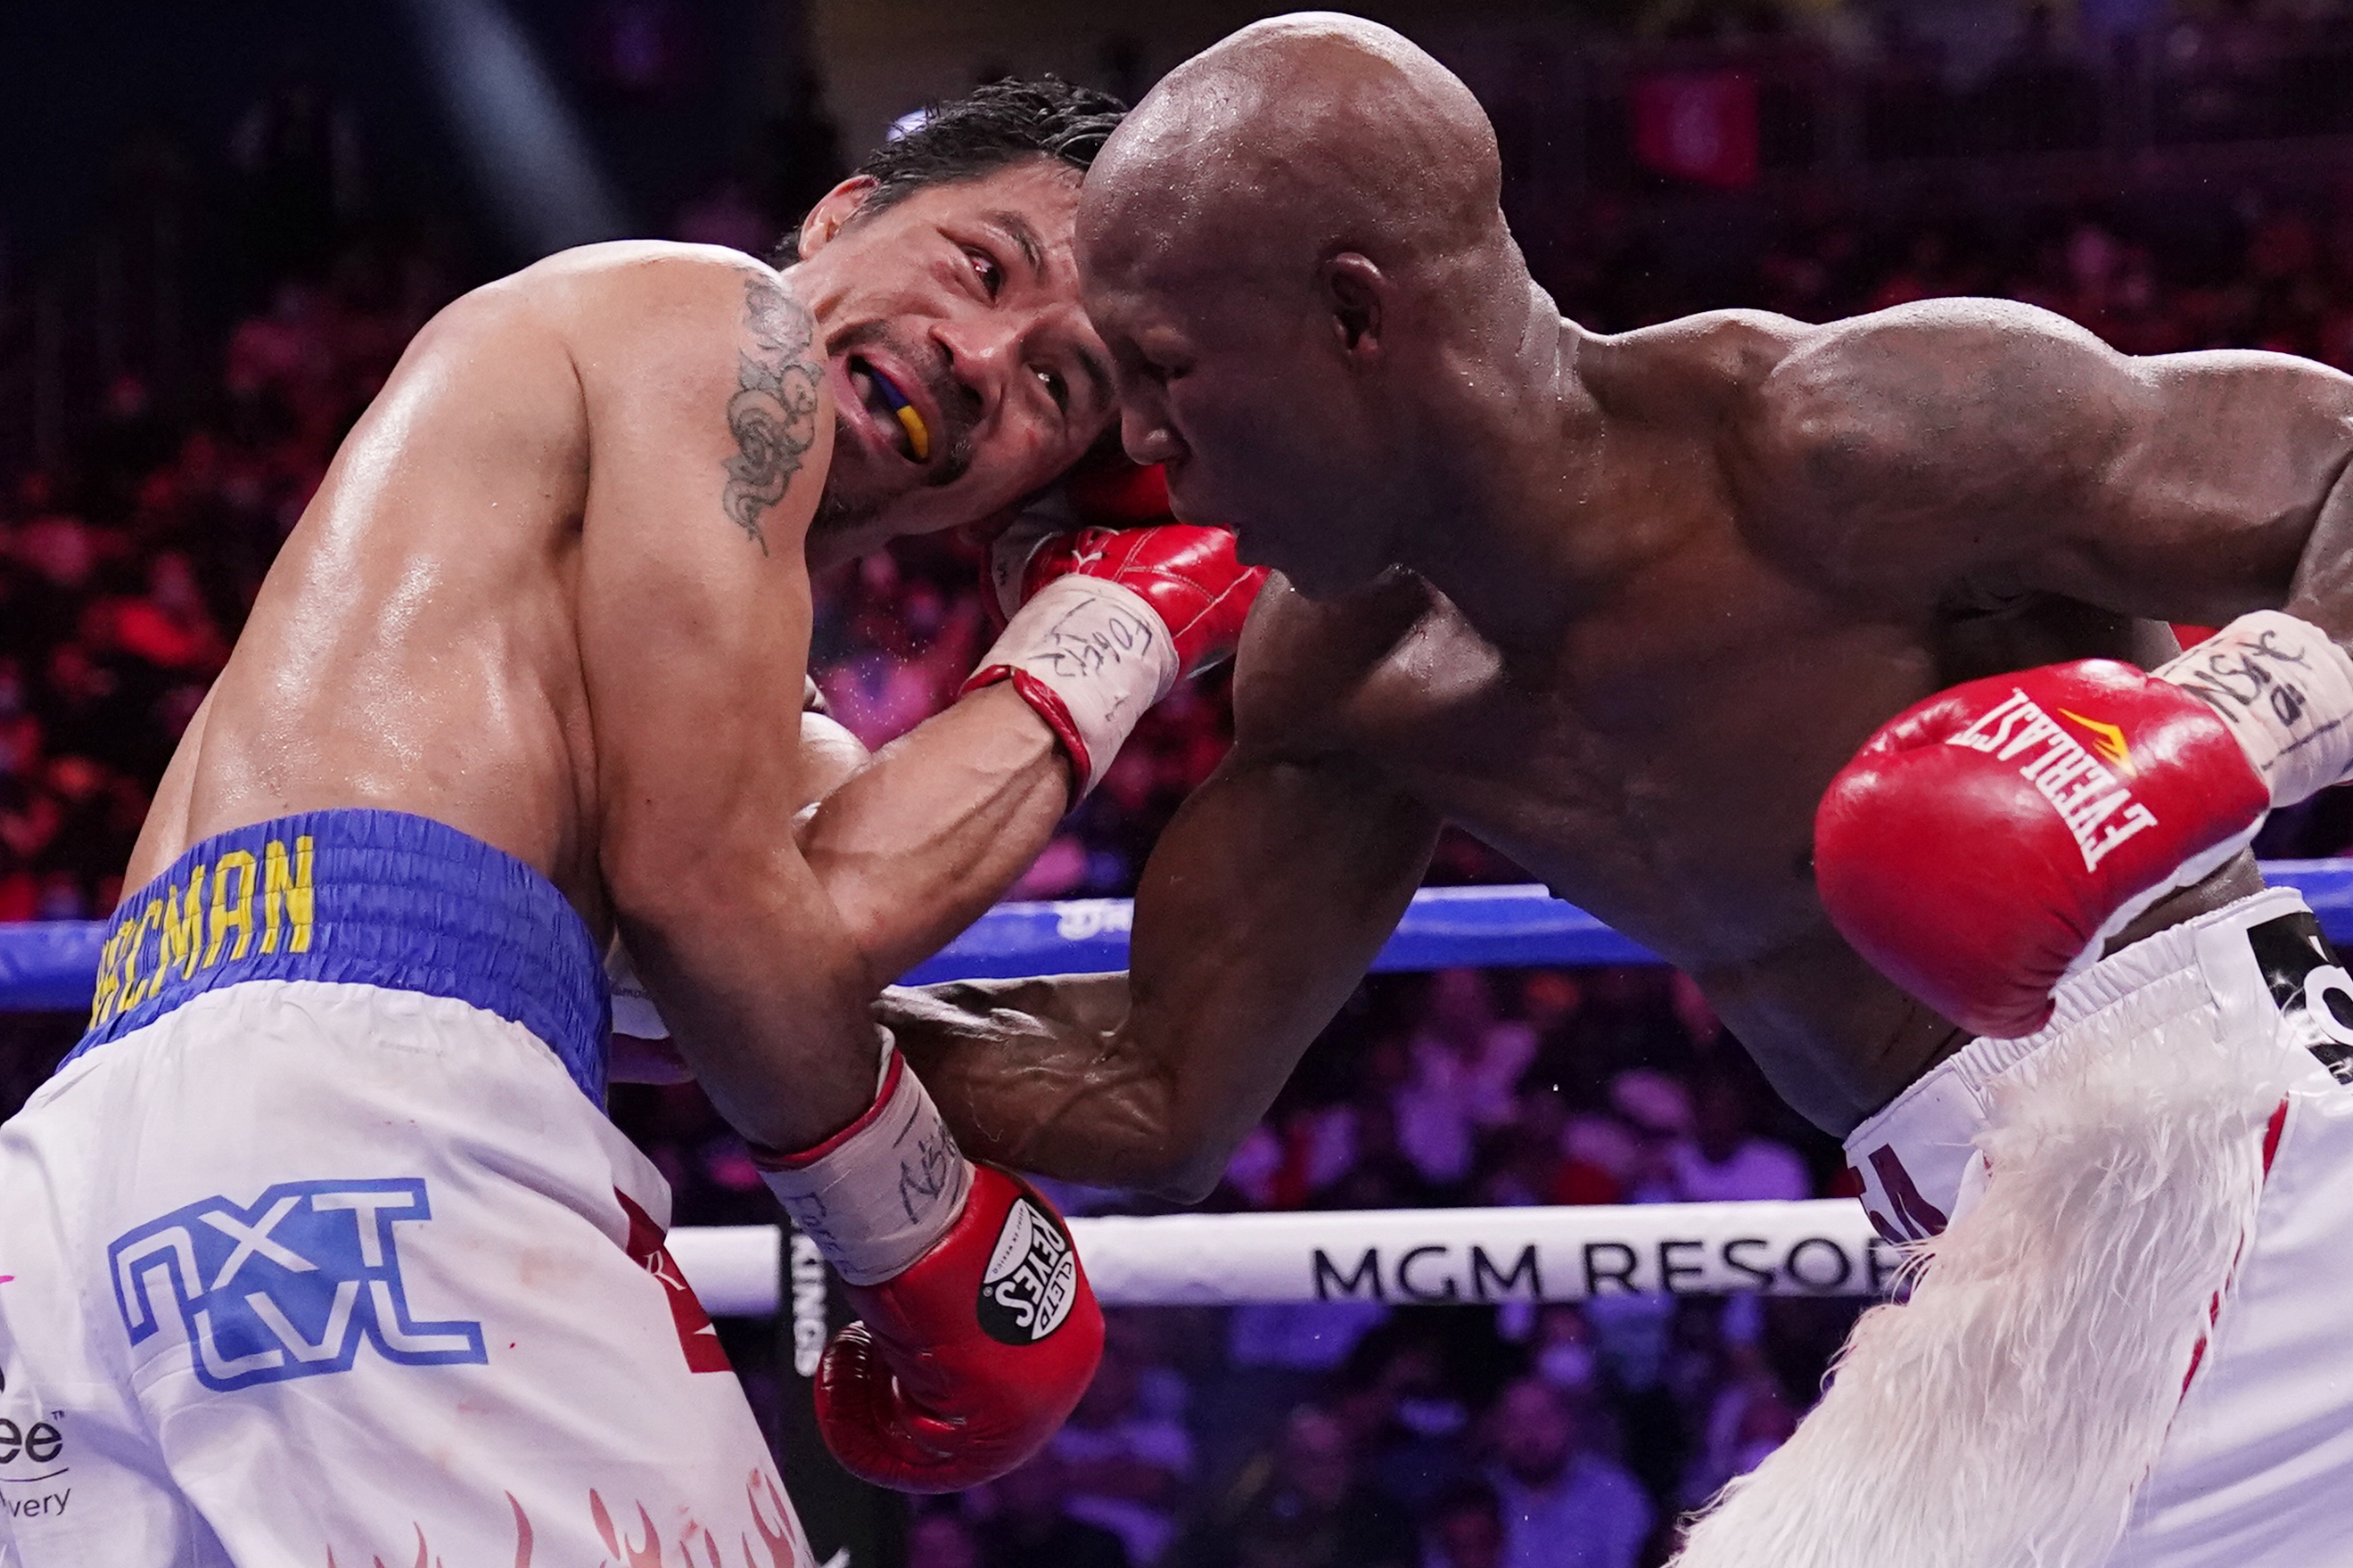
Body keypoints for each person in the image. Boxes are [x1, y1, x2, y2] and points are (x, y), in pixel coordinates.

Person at [884, 18, 2353, 1566]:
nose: (1141, 443)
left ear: (1349, 315)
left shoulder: (1838, 445)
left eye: (1169, 371)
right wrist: (725, 1020)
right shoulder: (1349, 677)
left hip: (2217, 1142)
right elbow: (1153, 1089)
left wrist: (2216, 726)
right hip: (2010, 1247)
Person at [0, 79, 1264, 1566]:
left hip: (97, 1182)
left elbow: (819, 908)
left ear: (1026, 486)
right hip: (371, 1130)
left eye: (1059, 386)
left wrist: (1103, 620)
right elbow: (734, 921)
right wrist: (904, 1225)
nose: (982, 358)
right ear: (840, 213)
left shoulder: (697, 643)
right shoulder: (720, 316)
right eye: (980, 267)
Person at [1483, 1378, 1653, 1568]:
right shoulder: (1479, 1494)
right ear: (1496, 1428)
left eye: (1542, 1419)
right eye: (1514, 1421)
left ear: (1568, 1422)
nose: (1529, 1434)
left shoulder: (1614, 1493)